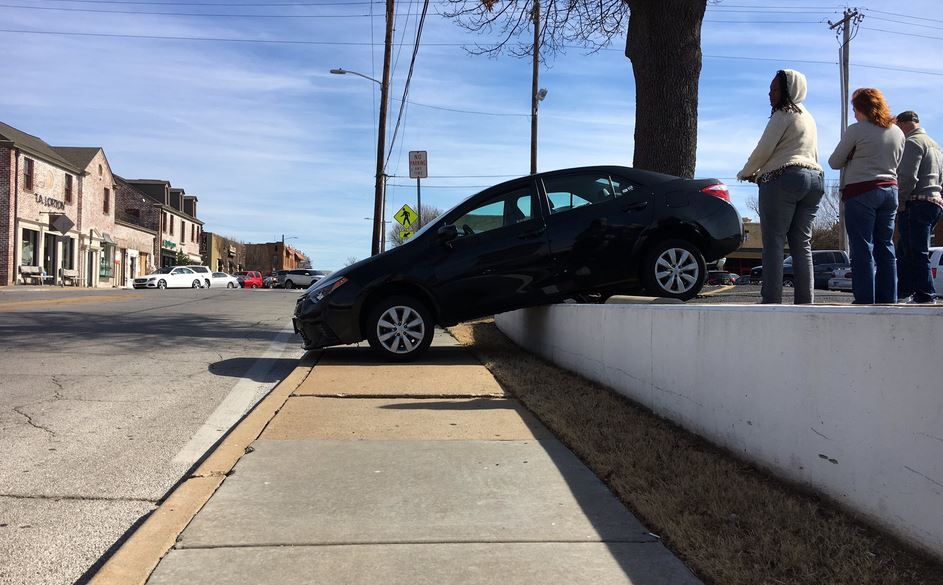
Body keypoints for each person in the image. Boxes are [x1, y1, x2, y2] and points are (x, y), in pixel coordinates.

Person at [737, 69, 824, 304]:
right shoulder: (809, 117)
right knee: (801, 244)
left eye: (775, 89)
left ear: (789, 90)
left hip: (784, 178)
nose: (770, 94)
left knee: (774, 241)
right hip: (815, 181)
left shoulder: (784, 113)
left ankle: (771, 300)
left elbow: (764, 149)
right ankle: (806, 301)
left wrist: (746, 172)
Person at [828, 88, 905, 304]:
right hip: (890, 191)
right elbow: (897, 162)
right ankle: (888, 297)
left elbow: (835, 162)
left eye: (855, 109)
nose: (854, 114)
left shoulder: (856, 130)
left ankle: (865, 298)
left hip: (861, 191)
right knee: (885, 245)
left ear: (862, 108)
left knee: (862, 247)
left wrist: (852, 155)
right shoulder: (897, 132)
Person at [893, 111, 943, 304]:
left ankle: (924, 294)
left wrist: (899, 202)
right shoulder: (936, 146)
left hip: (917, 202)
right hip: (934, 203)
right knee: (906, 250)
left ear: (902, 124)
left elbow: (907, 177)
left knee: (915, 251)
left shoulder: (912, 143)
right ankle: (906, 291)